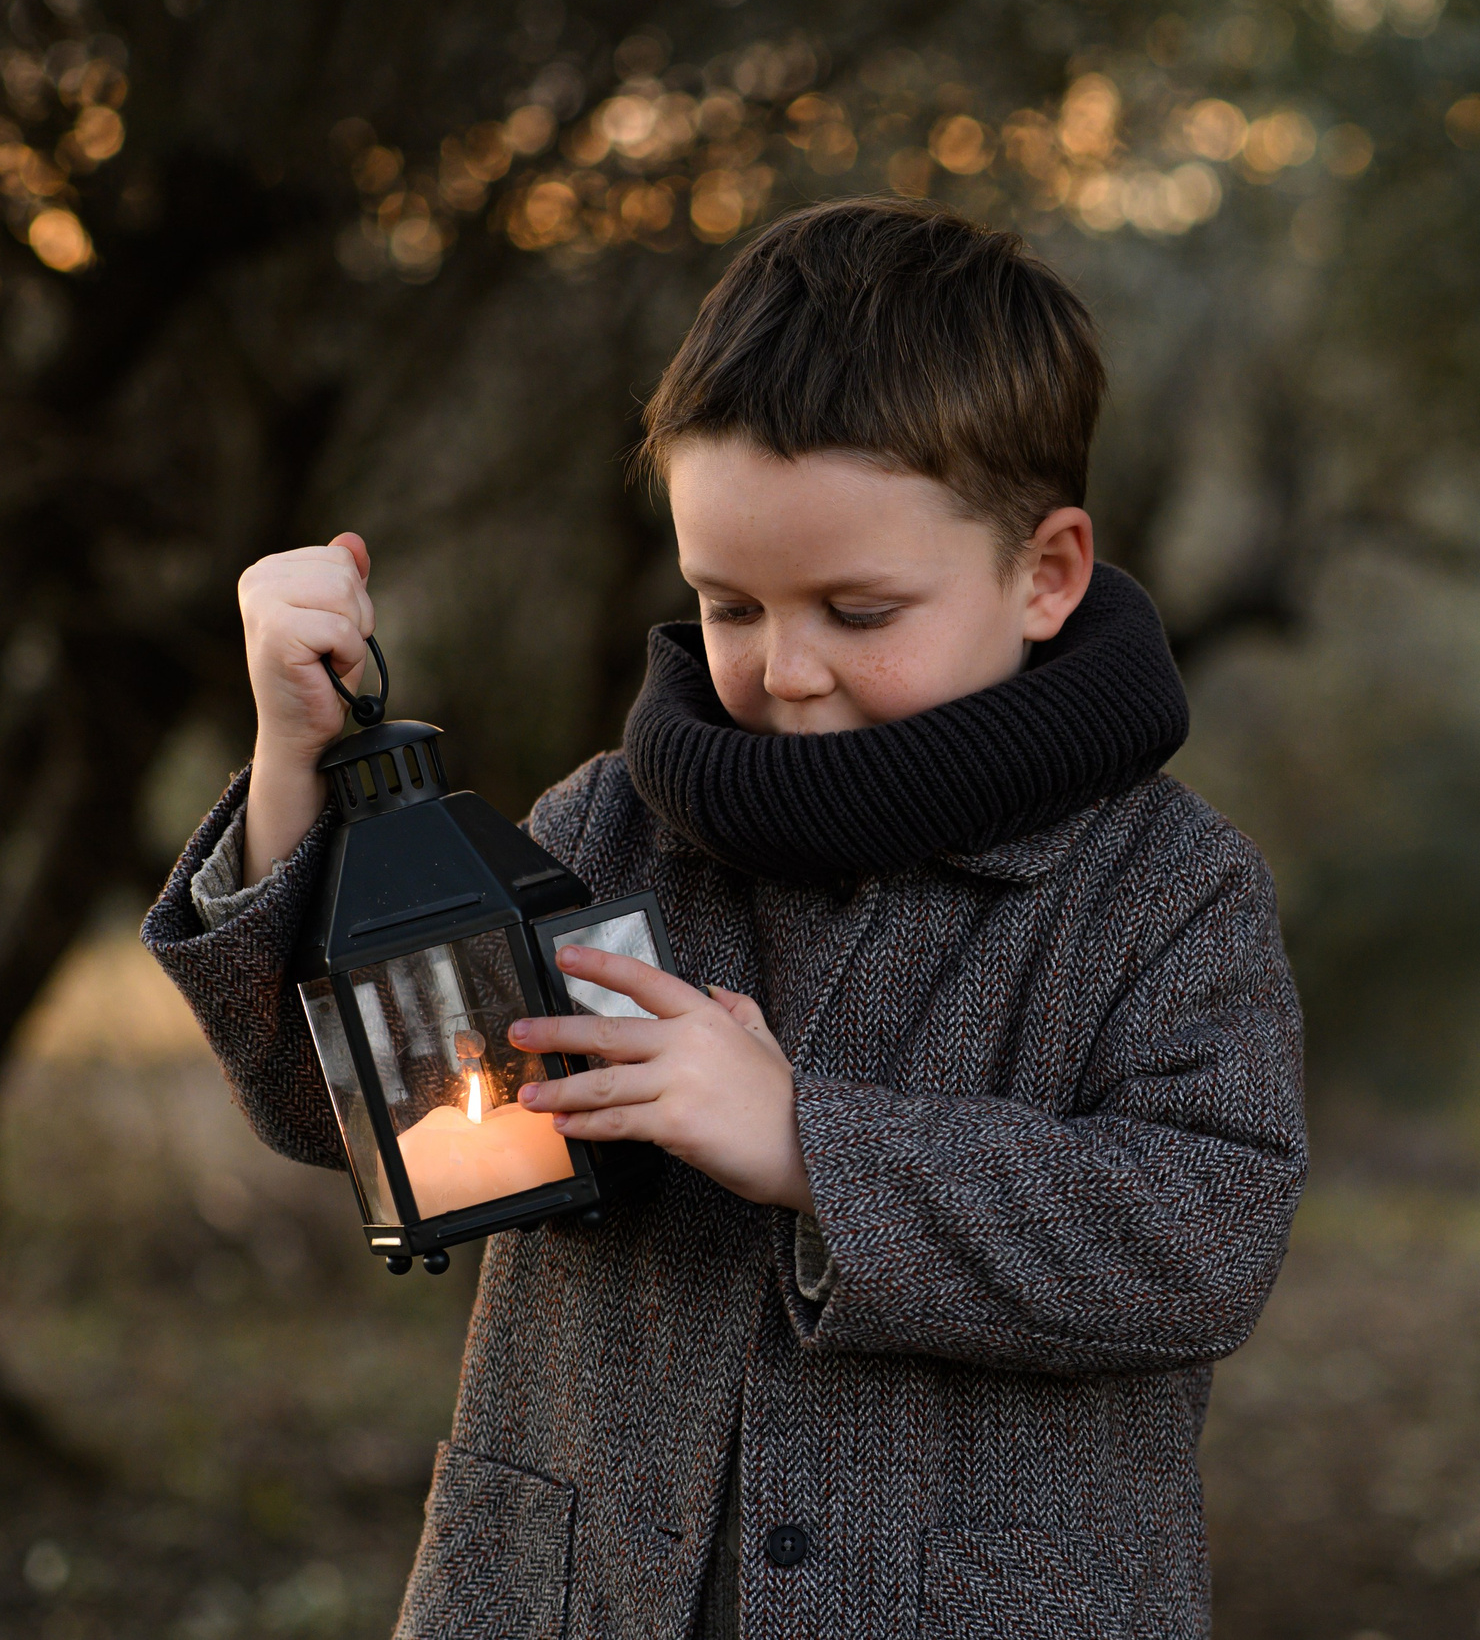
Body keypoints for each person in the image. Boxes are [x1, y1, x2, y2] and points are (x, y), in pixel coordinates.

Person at [141, 196, 1308, 1639]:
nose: (786, 670)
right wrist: (289, 762)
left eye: (859, 610)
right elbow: (334, 1110)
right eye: (727, 604)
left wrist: (813, 1143)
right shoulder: (603, 830)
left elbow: (1208, 1234)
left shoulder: (1164, 890)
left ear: (1047, 573)